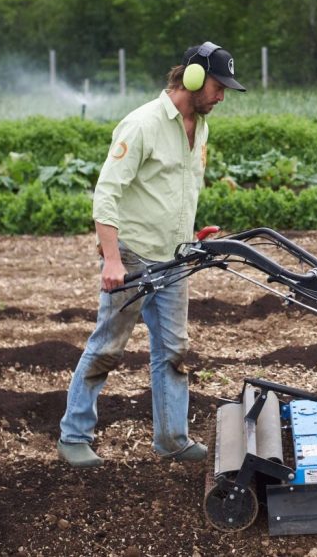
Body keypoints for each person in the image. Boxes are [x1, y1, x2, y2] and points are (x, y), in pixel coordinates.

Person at [57, 42, 246, 467]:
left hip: (174, 260)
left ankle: (172, 439)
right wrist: (111, 258)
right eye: (218, 86)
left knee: (174, 351)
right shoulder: (141, 124)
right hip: (134, 256)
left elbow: (181, 187)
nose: (221, 96)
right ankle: (73, 436)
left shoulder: (201, 126)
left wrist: (189, 234)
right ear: (193, 78)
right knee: (108, 345)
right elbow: (107, 193)